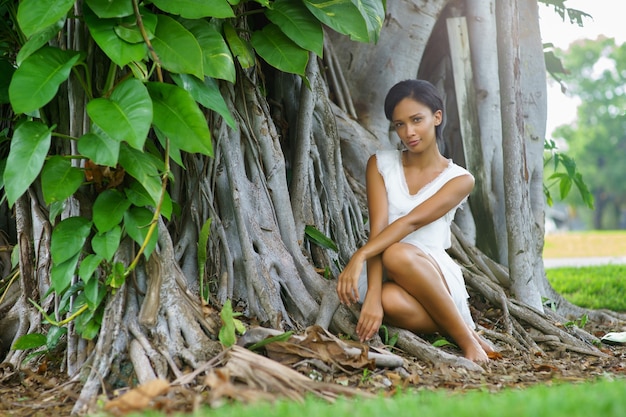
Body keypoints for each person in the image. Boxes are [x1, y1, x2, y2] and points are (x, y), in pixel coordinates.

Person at [336, 79, 492, 363]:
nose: (408, 132)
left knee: (398, 252)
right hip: (383, 270)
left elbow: (408, 223)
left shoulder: (459, 179)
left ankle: (468, 341)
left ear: (437, 116)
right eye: (399, 124)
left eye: (417, 120)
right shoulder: (380, 165)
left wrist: (360, 254)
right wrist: (372, 293)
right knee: (386, 298)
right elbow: (379, 231)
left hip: (432, 273)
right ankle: (461, 326)